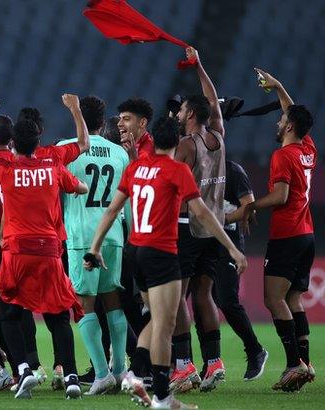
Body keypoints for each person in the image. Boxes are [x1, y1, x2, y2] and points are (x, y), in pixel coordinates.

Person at [89, 116, 246, 409]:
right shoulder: (177, 170)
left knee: (155, 317)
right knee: (165, 322)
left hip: (136, 251)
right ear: (176, 141)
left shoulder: (136, 167)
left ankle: (136, 374)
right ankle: (161, 395)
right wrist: (232, 248)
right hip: (162, 253)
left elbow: (112, 210)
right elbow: (201, 212)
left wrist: (95, 248)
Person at [0, 92, 89, 400]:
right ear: (38, 141)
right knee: (60, 315)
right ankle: (72, 376)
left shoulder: (4, 166)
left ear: (12, 143)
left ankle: (23, 370)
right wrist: (76, 111)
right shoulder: (52, 164)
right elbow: (83, 145)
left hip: (17, 250)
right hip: (49, 249)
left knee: (11, 313)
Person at [241, 69, 316, 392]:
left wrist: (251, 206)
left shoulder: (283, 155)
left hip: (287, 235)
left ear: (288, 127)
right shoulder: (307, 148)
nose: (277, 122)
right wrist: (279, 87)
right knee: (294, 299)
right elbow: (294, 113)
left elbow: (281, 196)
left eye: (281, 120)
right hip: (307, 235)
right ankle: (306, 364)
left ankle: (293, 363)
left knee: (273, 300)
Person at [58, 95, 130, 395]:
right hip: (114, 235)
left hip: (82, 237)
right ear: (104, 122)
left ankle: (101, 374)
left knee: (85, 303)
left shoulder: (65, 149)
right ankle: (119, 369)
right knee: (112, 299)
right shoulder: (120, 153)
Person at [171, 47, 227, 393]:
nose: (177, 113)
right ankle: (214, 361)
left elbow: (171, 187)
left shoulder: (186, 146)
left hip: (188, 228)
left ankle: (184, 364)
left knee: (177, 296)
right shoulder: (218, 136)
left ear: (190, 114)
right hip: (215, 228)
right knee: (204, 294)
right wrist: (199, 64)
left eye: (181, 109)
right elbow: (214, 103)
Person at [214, 160, 268, 380]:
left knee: (227, 301)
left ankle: (255, 350)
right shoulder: (197, 163)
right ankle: (211, 363)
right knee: (203, 302)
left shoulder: (233, 170)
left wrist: (223, 218)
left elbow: (250, 206)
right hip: (203, 242)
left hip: (229, 241)